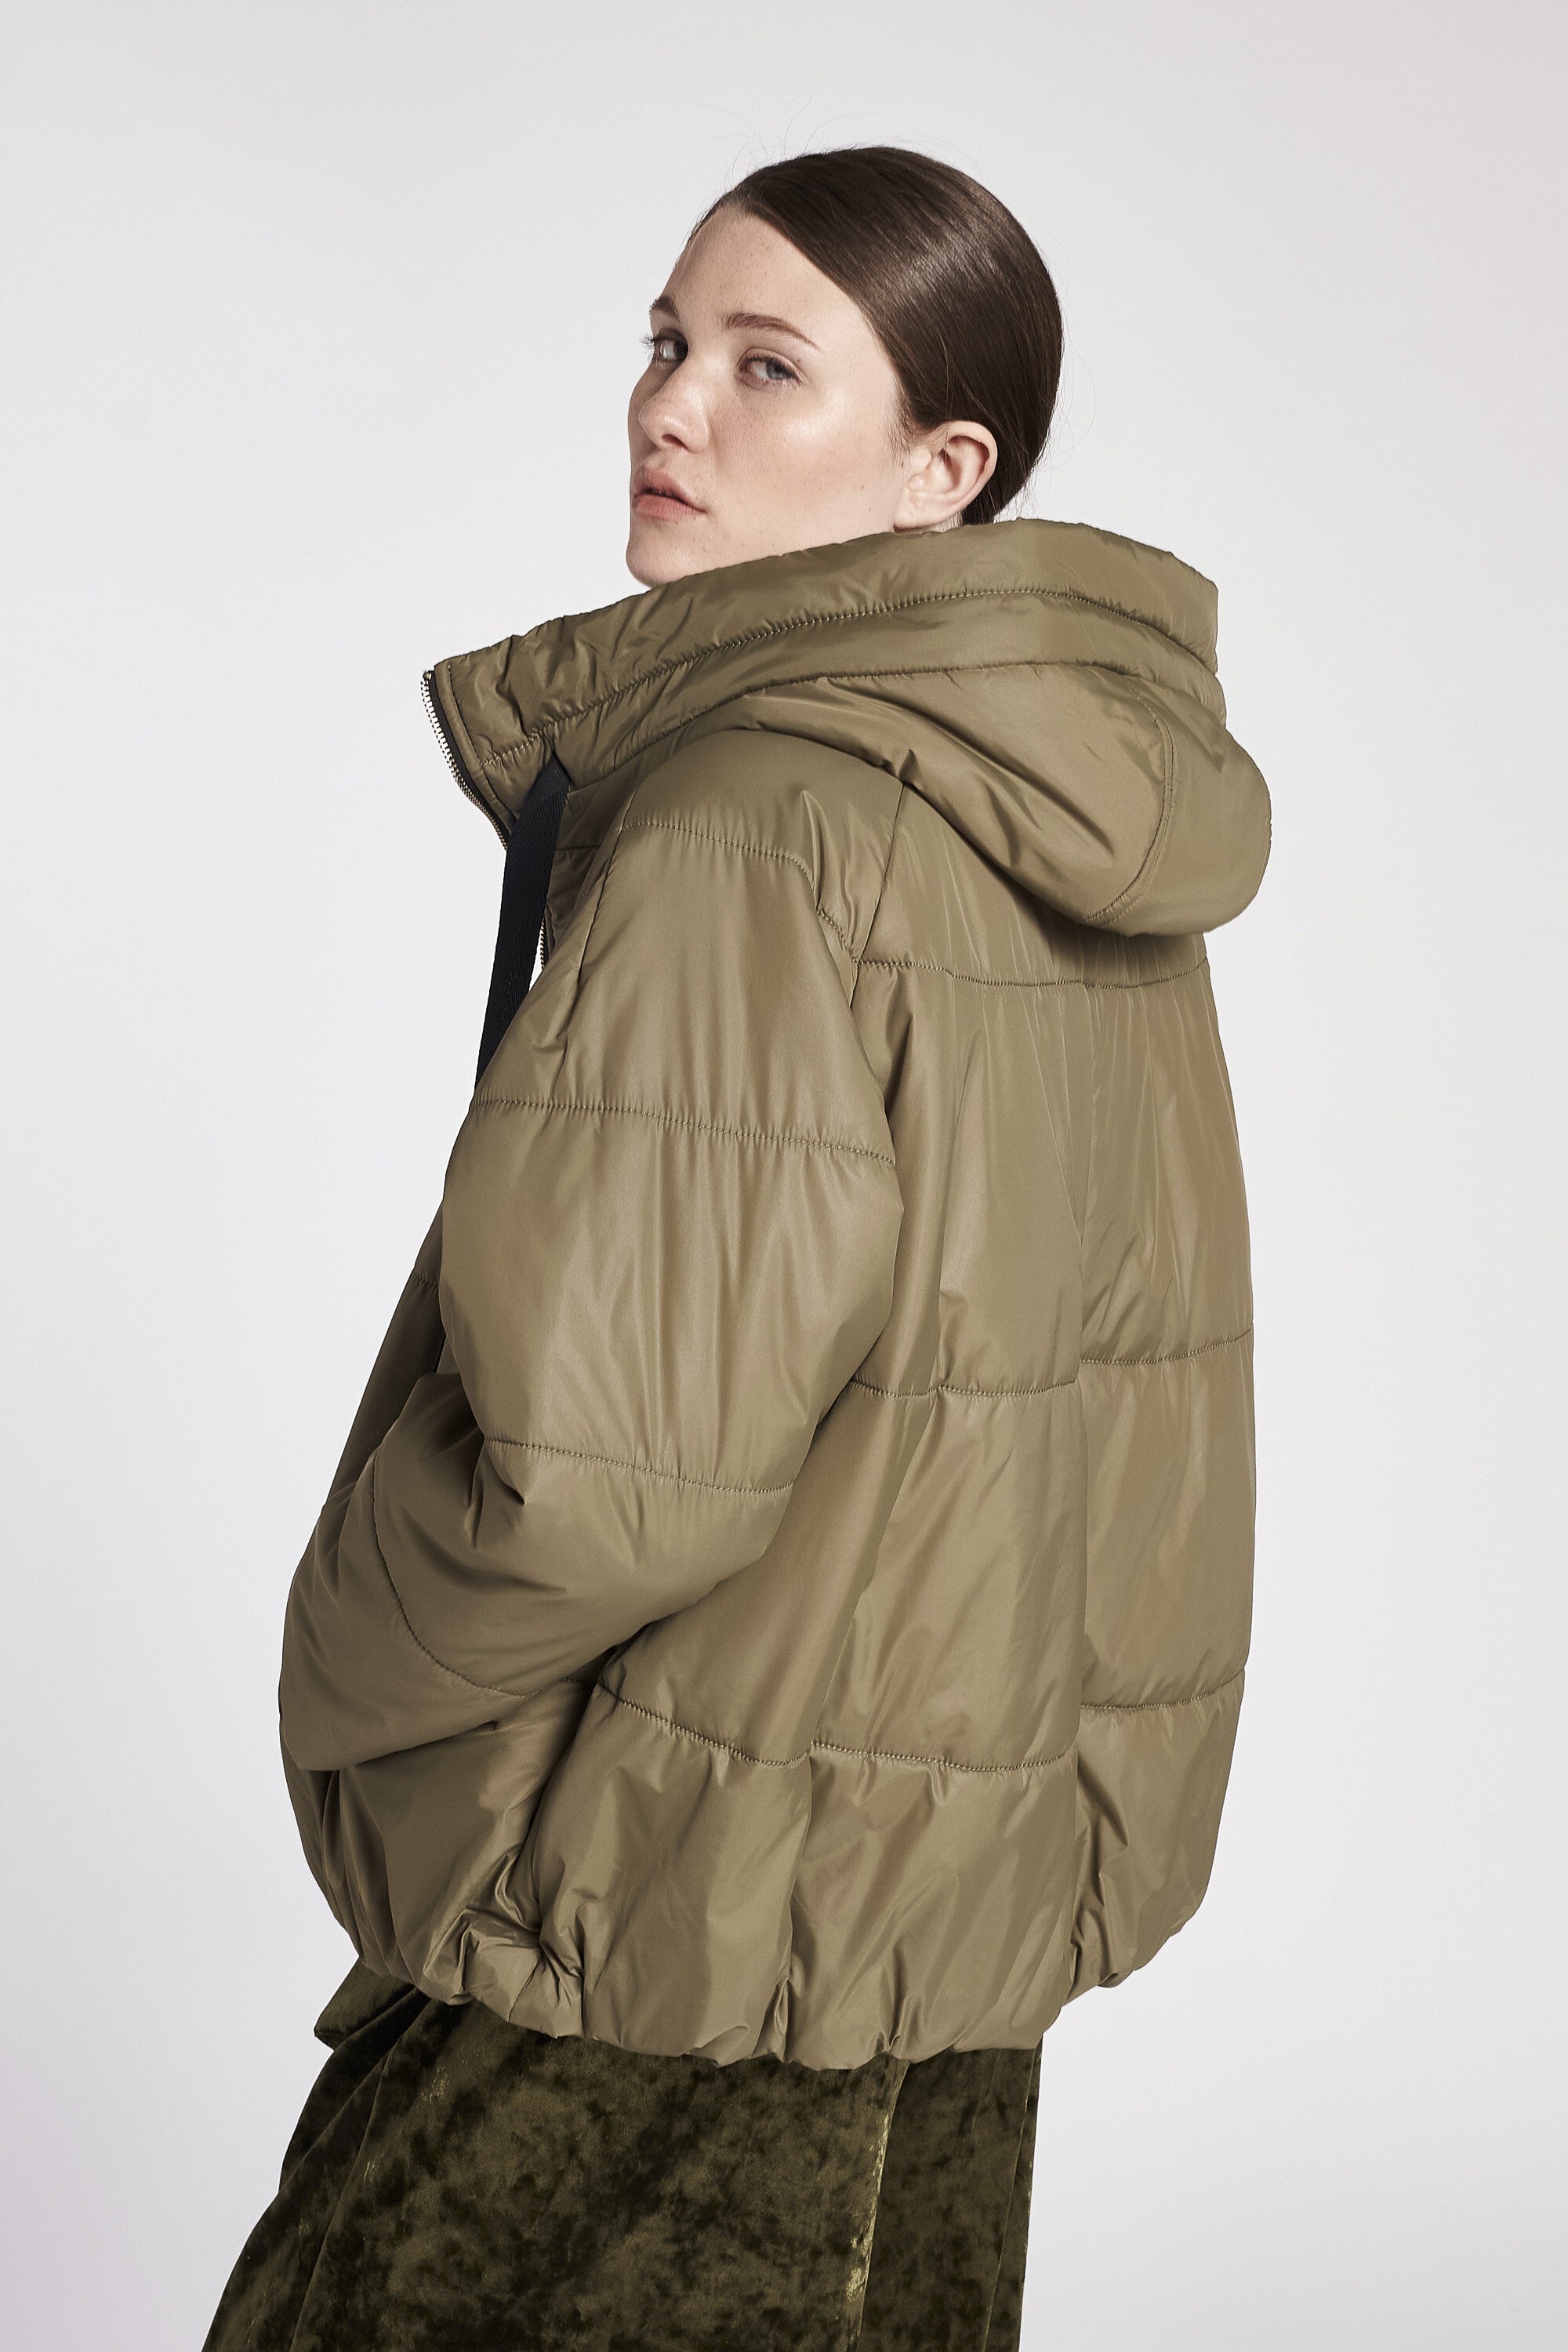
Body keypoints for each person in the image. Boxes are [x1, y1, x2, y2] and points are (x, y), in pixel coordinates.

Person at [202, 145, 1269, 2352]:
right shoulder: (1057, 817)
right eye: (668, 340)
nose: (671, 405)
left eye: (770, 365)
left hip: (673, 1932)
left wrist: (344, 1660)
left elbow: (604, 1476)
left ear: (942, 470)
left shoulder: (755, 824)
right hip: (932, 1942)